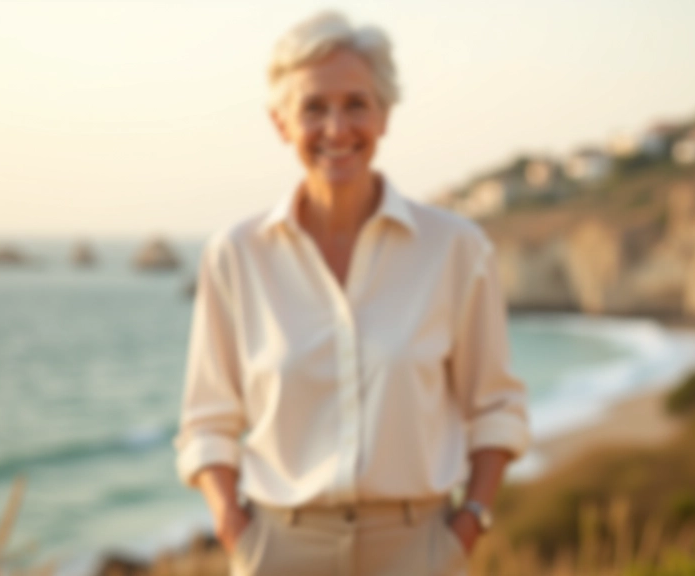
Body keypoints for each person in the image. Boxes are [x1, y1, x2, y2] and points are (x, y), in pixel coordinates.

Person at [173, 11, 530, 576]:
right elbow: (207, 422)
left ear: (384, 115)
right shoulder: (235, 255)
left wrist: (470, 525)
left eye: (356, 104)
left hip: (419, 551)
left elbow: (496, 407)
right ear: (281, 123)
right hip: (279, 552)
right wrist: (233, 529)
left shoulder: (457, 249)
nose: (337, 130)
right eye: (313, 108)